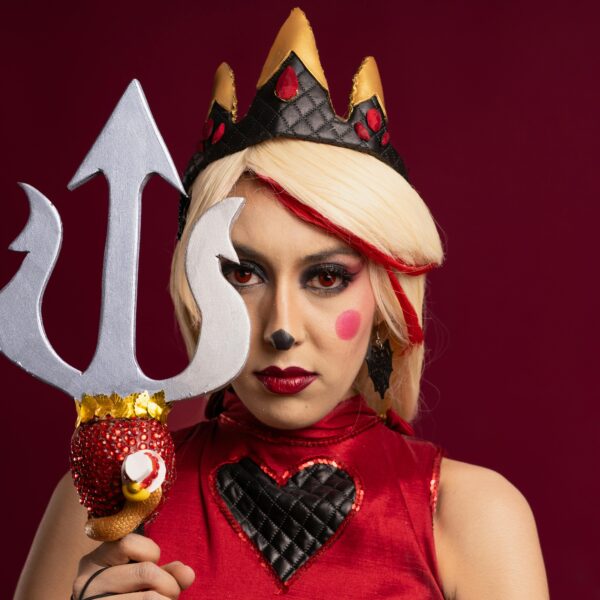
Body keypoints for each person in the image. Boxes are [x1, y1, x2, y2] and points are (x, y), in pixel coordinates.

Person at [15, 8, 549, 600]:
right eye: (244, 274)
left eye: (326, 277)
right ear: (196, 290)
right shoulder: (106, 504)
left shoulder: (471, 518)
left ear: (387, 295)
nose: (282, 328)